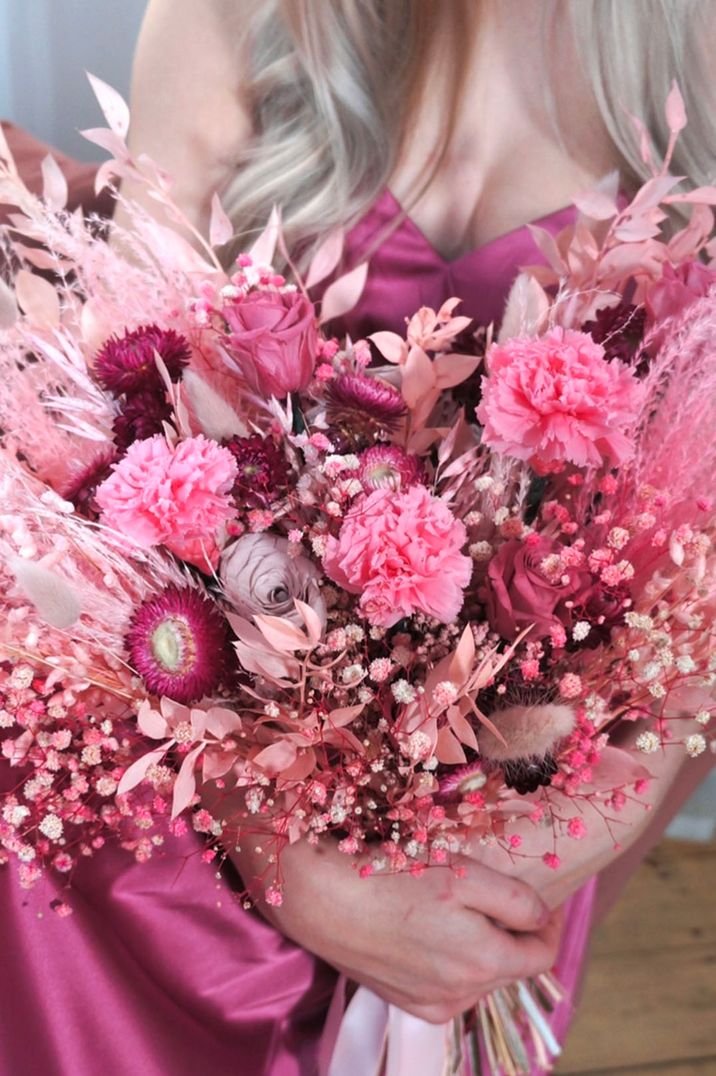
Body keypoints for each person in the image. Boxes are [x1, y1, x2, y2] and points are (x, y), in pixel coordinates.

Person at [0, 2, 712, 1074]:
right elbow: (115, 461)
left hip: (535, 773)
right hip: (208, 755)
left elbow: (693, 597)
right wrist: (280, 853)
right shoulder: (232, 19)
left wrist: (548, 845)